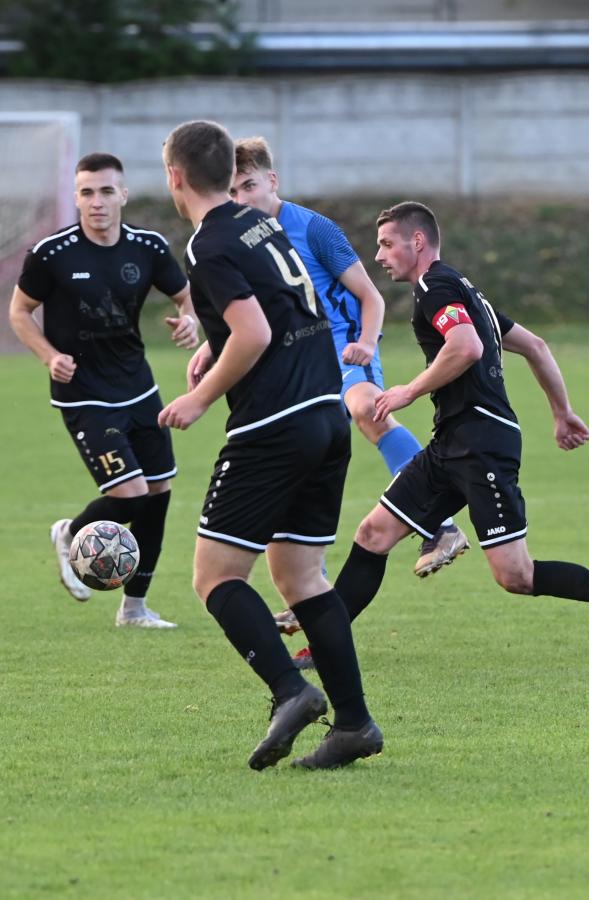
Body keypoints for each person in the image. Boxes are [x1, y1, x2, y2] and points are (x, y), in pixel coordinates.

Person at [328, 201, 589, 663]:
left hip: (480, 444)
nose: (379, 255)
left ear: (418, 241)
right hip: (453, 442)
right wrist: (562, 413)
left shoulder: (435, 287)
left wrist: (410, 389)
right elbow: (535, 345)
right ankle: (322, 644)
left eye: (387, 244)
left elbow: (465, 347)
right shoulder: (466, 291)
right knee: (373, 534)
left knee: (516, 576)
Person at [159, 119, 383, 770]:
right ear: (229, 172)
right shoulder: (262, 224)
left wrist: (201, 398)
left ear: (175, 177)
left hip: (273, 425)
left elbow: (254, 332)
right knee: (300, 576)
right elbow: (287, 309)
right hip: (324, 414)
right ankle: (354, 725)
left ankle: (291, 690)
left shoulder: (209, 242)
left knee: (215, 576)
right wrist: (215, 345)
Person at [228, 137, 468, 664]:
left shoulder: (314, 228)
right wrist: (209, 348)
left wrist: (367, 342)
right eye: (233, 191)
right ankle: (309, 588)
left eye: (249, 185)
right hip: (293, 362)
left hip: (342, 347)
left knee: (366, 408)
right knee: (296, 453)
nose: (242, 198)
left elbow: (371, 296)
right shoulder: (241, 240)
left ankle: (442, 524)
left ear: (272, 181)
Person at [9, 152, 199, 629]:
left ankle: (134, 608)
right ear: (76, 198)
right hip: (83, 393)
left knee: (158, 494)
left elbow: (187, 295)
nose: (97, 202)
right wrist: (49, 356)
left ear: (123, 195)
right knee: (131, 496)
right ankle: (71, 532)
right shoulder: (51, 253)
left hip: (139, 387)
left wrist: (191, 320)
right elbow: (19, 312)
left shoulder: (148, 247)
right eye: (87, 192)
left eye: (106, 191)